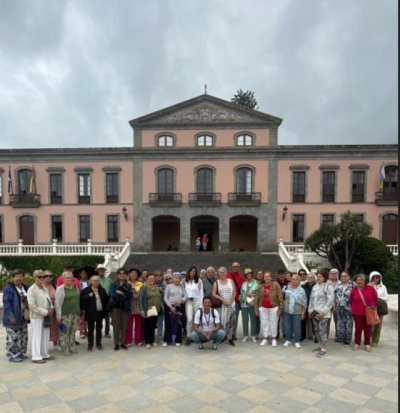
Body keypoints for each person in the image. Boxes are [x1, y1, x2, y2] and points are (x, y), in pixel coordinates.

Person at [27, 270, 55, 364]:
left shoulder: (44, 288)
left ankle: (44, 354)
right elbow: (32, 305)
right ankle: (36, 357)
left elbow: (48, 300)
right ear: (34, 278)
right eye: (40, 277)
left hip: (46, 316)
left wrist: (51, 308)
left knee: (45, 335)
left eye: (43, 277)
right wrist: (45, 312)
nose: (42, 279)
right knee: (37, 336)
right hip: (37, 316)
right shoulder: (32, 289)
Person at [2, 269, 29, 362]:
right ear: (13, 277)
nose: (19, 278)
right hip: (13, 317)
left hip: (23, 316)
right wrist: (11, 316)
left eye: (21, 276)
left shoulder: (25, 287)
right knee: (14, 337)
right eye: (17, 276)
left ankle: (20, 353)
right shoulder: (9, 288)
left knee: (22, 336)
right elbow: (6, 303)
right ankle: (13, 355)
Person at [308, 269, 335, 357]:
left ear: (325, 277)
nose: (318, 278)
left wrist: (323, 312)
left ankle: (324, 348)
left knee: (323, 330)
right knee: (316, 330)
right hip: (314, 312)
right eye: (317, 276)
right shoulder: (315, 287)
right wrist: (310, 310)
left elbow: (330, 301)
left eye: (320, 276)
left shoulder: (328, 287)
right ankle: (320, 345)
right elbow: (311, 300)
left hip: (323, 313)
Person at [350, 274, 378, 352]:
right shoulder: (354, 290)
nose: (359, 281)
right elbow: (351, 300)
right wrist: (354, 308)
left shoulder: (370, 288)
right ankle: (357, 343)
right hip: (357, 313)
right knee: (358, 328)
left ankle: (367, 344)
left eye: (361, 280)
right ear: (355, 281)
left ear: (365, 280)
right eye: (358, 280)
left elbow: (375, 299)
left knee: (368, 329)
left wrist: (372, 307)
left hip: (368, 312)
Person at [55, 271, 81, 356]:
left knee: (73, 331)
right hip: (65, 314)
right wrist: (58, 316)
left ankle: (71, 346)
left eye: (70, 278)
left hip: (74, 313)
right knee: (64, 332)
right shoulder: (60, 289)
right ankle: (64, 348)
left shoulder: (75, 287)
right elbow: (57, 303)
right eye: (67, 278)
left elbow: (77, 299)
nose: (69, 279)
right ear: (63, 279)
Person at [80, 275, 109, 351]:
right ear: (90, 281)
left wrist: (106, 310)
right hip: (90, 312)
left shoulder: (102, 290)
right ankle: (90, 345)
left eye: (97, 280)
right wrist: (88, 296)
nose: (96, 282)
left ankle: (99, 344)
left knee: (99, 329)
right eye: (94, 280)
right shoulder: (86, 290)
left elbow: (106, 300)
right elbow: (81, 299)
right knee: (90, 329)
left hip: (100, 312)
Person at [254, 271, 283, 347]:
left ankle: (274, 338)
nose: (266, 278)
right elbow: (256, 298)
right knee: (264, 323)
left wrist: (280, 308)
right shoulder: (260, 286)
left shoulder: (275, 285)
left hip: (273, 307)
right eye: (265, 276)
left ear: (271, 277)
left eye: (268, 276)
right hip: (263, 308)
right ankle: (265, 338)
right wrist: (256, 309)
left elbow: (280, 296)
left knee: (273, 323)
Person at [109, 268, 133, 350]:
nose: (122, 275)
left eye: (124, 273)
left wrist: (121, 292)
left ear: (126, 275)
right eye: (120, 273)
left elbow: (130, 295)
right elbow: (113, 295)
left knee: (124, 326)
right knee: (116, 326)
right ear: (117, 275)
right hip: (116, 307)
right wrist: (124, 294)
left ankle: (123, 343)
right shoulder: (113, 284)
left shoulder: (128, 285)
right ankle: (116, 343)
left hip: (125, 307)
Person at [282, 274, 307, 348]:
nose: (294, 281)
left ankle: (297, 341)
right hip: (287, 310)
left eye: (296, 279)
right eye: (293, 279)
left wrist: (303, 312)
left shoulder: (301, 290)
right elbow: (283, 298)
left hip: (297, 311)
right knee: (287, 326)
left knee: (297, 327)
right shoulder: (286, 288)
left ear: (299, 281)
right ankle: (288, 340)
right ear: (291, 280)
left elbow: (304, 302)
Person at [212, 266, 236, 346]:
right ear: (218, 273)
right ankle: (222, 336)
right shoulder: (216, 282)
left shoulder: (230, 281)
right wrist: (223, 300)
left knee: (231, 322)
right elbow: (213, 294)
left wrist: (230, 301)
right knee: (221, 321)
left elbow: (234, 292)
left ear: (226, 273)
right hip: (221, 305)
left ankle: (230, 338)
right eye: (220, 272)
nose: (222, 273)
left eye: (223, 272)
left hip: (231, 304)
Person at [139, 273, 163, 349]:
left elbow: (160, 296)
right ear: (146, 279)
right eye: (150, 278)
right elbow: (141, 299)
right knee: (147, 326)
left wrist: (161, 291)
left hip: (156, 309)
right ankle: (147, 342)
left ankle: (152, 341)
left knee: (153, 326)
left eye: (153, 278)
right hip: (148, 309)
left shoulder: (157, 287)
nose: (152, 280)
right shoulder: (144, 287)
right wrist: (142, 310)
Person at [182, 266, 204, 346]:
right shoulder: (184, 281)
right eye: (191, 271)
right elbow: (180, 289)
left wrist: (201, 304)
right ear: (189, 272)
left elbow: (201, 293)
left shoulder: (199, 281)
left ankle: (195, 336)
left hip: (197, 301)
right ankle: (188, 336)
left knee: (196, 319)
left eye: (194, 271)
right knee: (189, 319)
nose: (192, 272)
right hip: (188, 301)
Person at [163, 272, 186, 346]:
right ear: (173, 278)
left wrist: (181, 300)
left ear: (180, 279)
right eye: (176, 278)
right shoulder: (169, 286)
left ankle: (178, 340)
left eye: (179, 278)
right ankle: (167, 340)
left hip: (179, 306)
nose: (177, 279)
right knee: (168, 323)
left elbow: (186, 295)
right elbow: (165, 297)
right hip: (170, 306)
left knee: (178, 323)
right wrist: (170, 306)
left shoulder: (182, 286)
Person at [369, 271, 389, 347]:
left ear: (380, 278)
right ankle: (368, 338)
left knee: (378, 324)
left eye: (377, 277)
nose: (375, 278)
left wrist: (377, 298)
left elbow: (386, 297)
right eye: (373, 277)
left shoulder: (383, 287)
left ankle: (375, 341)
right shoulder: (368, 286)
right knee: (370, 324)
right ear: (371, 278)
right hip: (370, 308)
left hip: (380, 307)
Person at [334, 271, 354, 346]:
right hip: (339, 307)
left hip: (349, 308)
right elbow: (334, 296)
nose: (343, 277)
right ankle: (340, 339)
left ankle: (347, 340)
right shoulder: (338, 285)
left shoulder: (353, 285)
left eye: (345, 276)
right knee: (340, 323)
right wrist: (334, 306)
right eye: (342, 276)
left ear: (349, 276)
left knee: (349, 323)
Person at [124, 268, 143, 347]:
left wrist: (138, 295)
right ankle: (128, 340)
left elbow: (142, 293)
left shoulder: (140, 283)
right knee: (129, 324)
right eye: (132, 273)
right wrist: (130, 296)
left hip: (138, 305)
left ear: (137, 275)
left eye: (135, 273)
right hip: (129, 305)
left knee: (138, 323)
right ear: (129, 274)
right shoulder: (126, 283)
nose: (133, 274)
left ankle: (138, 340)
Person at [239, 268, 259, 343]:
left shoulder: (256, 283)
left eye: (249, 273)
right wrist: (240, 297)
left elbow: (258, 294)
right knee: (245, 320)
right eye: (247, 274)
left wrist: (253, 294)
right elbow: (241, 293)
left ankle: (253, 335)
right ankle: (245, 335)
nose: (248, 275)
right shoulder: (244, 283)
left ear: (252, 274)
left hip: (252, 303)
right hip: (244, 304)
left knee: (253, 320)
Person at [227, 261, 245, 341]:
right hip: (227, 301)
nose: (235, 268)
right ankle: (226, 333)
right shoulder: (227, 275)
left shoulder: (242, 278)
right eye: (234, 266)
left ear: (239, 268)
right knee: (226, 318)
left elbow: (243, 290)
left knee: (235, 319)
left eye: (236, 267)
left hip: (236, 302)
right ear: (231, 267)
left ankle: (233, 334)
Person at [43, 270, 59, 348]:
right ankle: (44, 346)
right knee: (45, 328)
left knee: (55, 327)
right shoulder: (41, 286)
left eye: (50, 276)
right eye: (46, 276)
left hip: (55, 310)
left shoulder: (54, 286)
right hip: (45, 311)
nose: (48, 277)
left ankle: (55, 343)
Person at [96, 264, 112, 338]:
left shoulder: (109, 280)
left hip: (107, 300)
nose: (101, 272)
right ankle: (99, 331)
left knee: (107, 318)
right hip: (98, 300)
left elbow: (111, 290)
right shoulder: (95, 280)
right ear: (98, 271)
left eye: (103, 271)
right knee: (98, 317)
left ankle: (107, 332)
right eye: (100, 271)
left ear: (104, 272)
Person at [301, 273, 315, 341]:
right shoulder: (303, 286)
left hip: (313, 307)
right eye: (308, 277)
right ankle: (303, 336)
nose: (310, 279)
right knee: (303, 322)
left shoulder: (316, 286)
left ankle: (315, 336)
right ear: (306, 278)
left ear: (313, 278)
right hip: (304, 306)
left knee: (314, 322)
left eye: (311, 277)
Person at [327, 268, 341, 341]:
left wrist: (335, 305)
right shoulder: (326, 283)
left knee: (337, 321)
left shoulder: (340, 283)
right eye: (332, 273)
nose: (333, 274)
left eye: (335, 273)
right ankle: (325, 336)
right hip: (328, 305)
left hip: (338, 305)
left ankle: (338, 336)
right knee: (326, 321)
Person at [154, 269, 166, 345]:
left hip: (161, 306)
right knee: (151, 322)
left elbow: (167, 293)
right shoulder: (150, 283)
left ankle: (160, 336)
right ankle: (150, 338)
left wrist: (162, 290)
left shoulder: (165, 284)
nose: (158, 277)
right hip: (152, 306)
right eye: (156, 275)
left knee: (160, 322)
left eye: (160, 275)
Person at [77, 269, 90, 339]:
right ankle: (81, 331)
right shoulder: (78, 282)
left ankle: (86, 330)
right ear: (80, 274)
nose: (84, 274)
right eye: (82, 273)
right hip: (81, 301)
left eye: (85, 273)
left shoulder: (89, 282)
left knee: (87, 317)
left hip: (88, 301)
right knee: (81, 317)